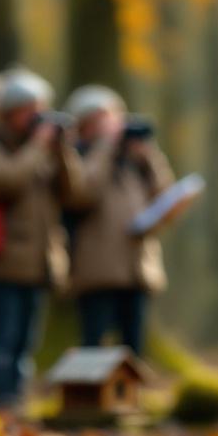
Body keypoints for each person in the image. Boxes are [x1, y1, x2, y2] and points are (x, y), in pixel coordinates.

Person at [0, 68, 87, 406]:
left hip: (38, 262)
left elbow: (73, 193)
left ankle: (15, 402)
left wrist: (61, 151)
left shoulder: (43, 149)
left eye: (41, 109)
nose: (38, 118)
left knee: (24, 345)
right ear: (9, 110)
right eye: (30, 110)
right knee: (1, 341)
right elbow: (5, 181)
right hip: (0, 260)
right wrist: (37, 146)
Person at [63, 85, 175, 354]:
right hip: (96, 270)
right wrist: (105, 147)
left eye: (115, 118)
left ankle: (132, 396)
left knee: (134, 345)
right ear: (84, 124)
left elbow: (166, 198)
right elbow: (82, 194)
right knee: (94, 346)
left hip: (136, 267)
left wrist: (149, 157)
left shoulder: (133, 160)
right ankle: (90, 395)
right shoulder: (75, 155)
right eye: (104, 120)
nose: (114, 127)